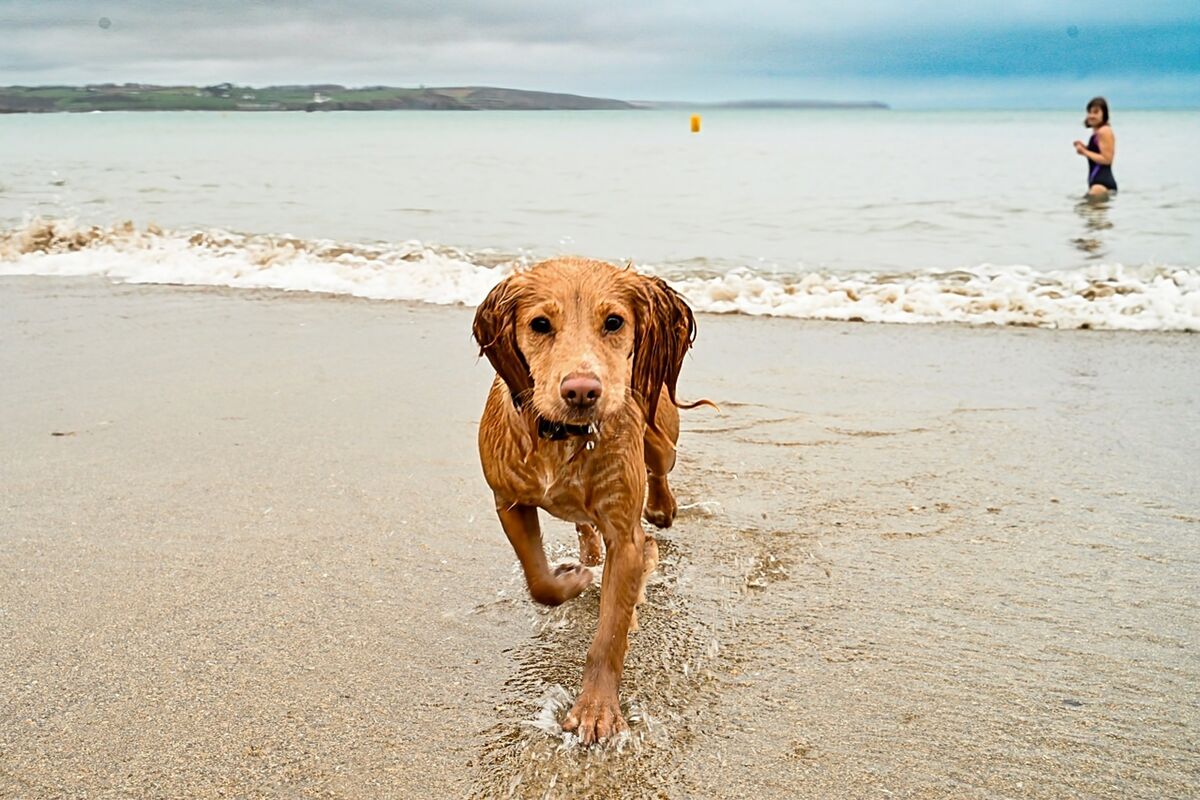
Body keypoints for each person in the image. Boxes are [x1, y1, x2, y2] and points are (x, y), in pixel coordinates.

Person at [1074, 97, 1117, 197]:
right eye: (1089, 112)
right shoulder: (1097, 132)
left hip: (1101, 184)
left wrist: (1084, 152)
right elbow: (1098, 153)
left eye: (1096, 112)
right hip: (1096, 183)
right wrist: (1085, 148)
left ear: (1104, 114)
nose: (1091, 116)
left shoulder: (1104, 131)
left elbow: (1107, 159)